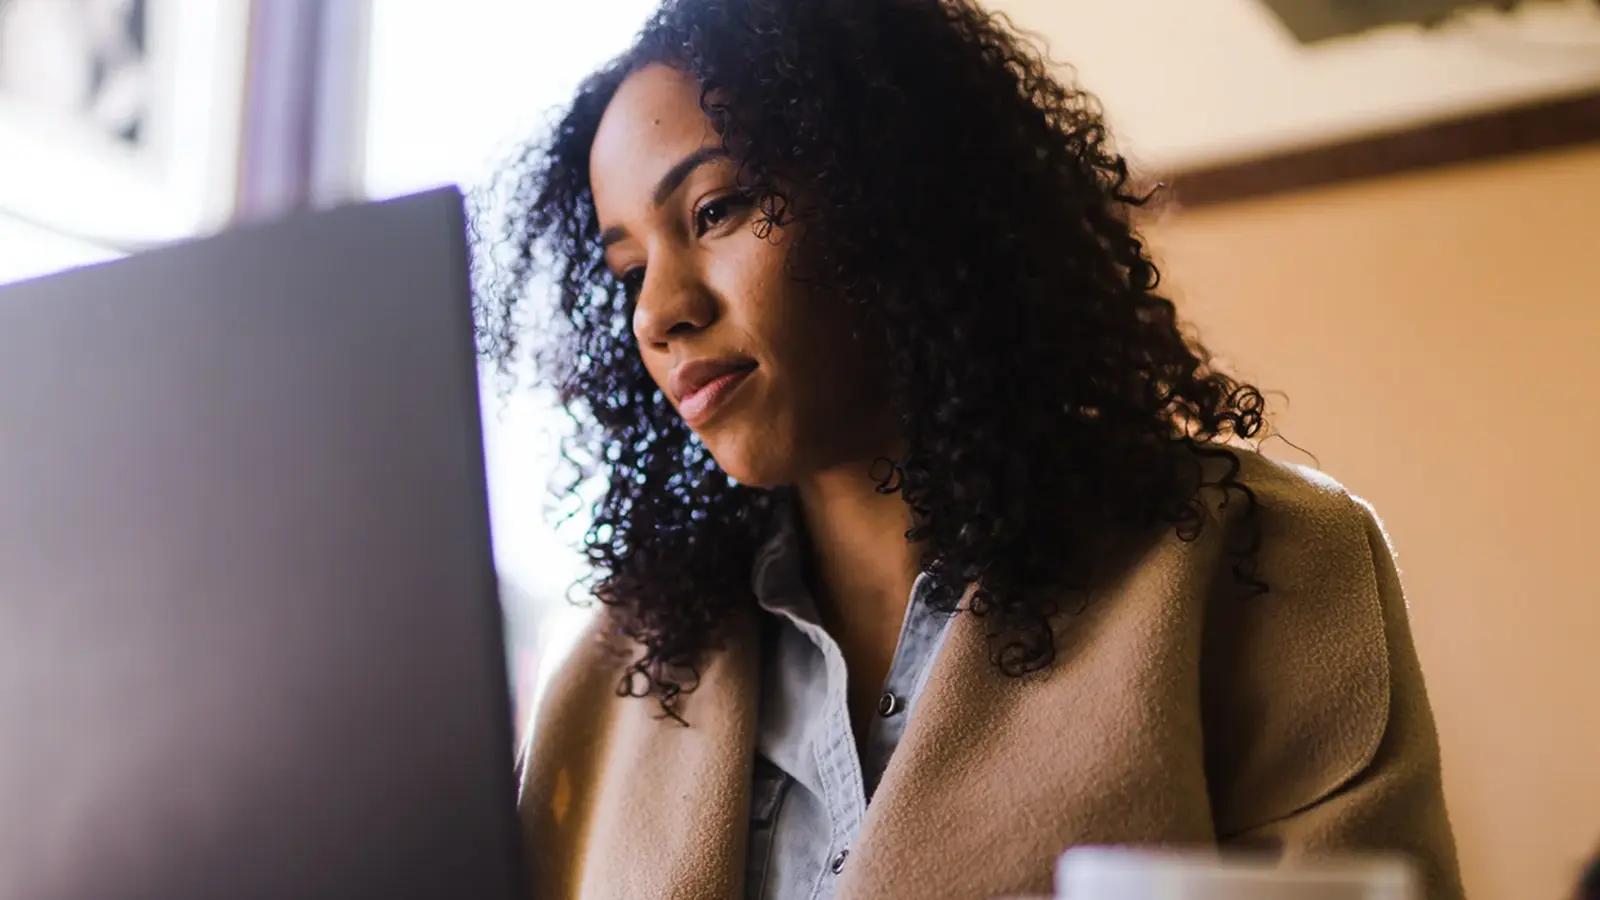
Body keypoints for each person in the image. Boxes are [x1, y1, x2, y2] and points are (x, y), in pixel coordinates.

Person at [476, 1, 1464, 897]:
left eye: (716, 210)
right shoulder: (611, 678)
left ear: (894, 194)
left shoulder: (1262, 562)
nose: (658, 312)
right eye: (628, 269)